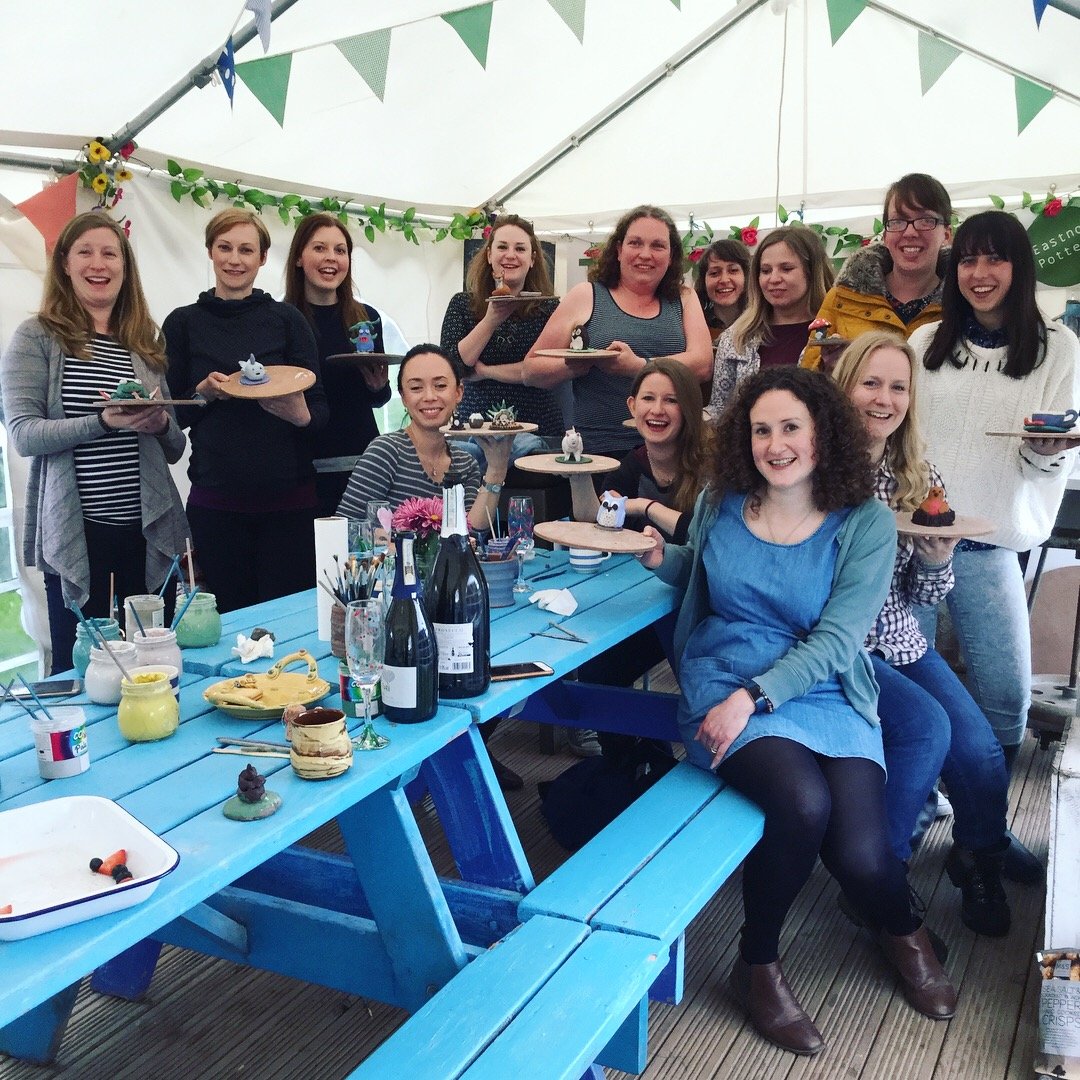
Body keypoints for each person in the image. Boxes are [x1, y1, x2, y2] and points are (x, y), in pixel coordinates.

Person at [641, 366, 956, 1054]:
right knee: (803, 805)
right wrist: (663, 558)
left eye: (791, 428)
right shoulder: (723, 499)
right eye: (761, 430)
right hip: (723, 676)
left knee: (862, 854)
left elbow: (841, 639)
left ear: (823, 434)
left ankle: (903, 931)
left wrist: (756, 696)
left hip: (821, 686)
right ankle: (756, 961)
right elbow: (699, 572)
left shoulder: (866, 521)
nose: (774, 445)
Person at [911, 209, 1080, 884]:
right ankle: (913, 810)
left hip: (990, 546)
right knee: (910, 691)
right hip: (913, 542)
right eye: (968, 260)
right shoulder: (926, 342)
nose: (980, 274)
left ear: (1020, 267)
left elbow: (1051, 455)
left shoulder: (1058, 349)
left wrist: (1045, 450)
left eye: (995, 258)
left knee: (1006, 695)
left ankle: (984, 833)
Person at [833, 331, 1012, 936]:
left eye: (898, 387)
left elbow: (920, 595)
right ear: (844, 387)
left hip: (901, 638)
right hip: (839, 645)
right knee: (925, 731)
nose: (884, 399)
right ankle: (879, 883)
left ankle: (978, 857)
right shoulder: (812, 467)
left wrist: (937, 561)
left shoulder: (916, 475)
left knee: (981, 750)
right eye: (870, 383)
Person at [0, 212, 188, 673]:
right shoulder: (36, 337)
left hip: (146, 531)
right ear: (65, 264)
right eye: (85, 252)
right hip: (77, 532)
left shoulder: (142, 343)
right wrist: (102, 421)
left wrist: (158, 423)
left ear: (125, 267)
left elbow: (174, 447)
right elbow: (24, 434)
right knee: (88, 670)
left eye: (110, 253)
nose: (98, 264)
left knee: (155, 663)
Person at [164, 208, 328, 613]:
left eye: (246, 250)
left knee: (288, 621)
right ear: (210, 251)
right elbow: (171, 418)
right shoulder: (183, 323)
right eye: (225, 248)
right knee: (228, 623)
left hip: (290, 505)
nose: (234, 259)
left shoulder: (287, 320)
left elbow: (320, 412)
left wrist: (299, 414)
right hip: (216, 506)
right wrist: (204, 394)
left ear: (263, 257)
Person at [523, 205, 712, 457]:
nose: (645, 254)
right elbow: (531, 370)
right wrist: (575, 365)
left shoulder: (683, 298)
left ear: (671, 256)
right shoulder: (586, 295)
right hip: (601, 450)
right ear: (619, 250)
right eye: (635, 243)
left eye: (657, 246)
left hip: (673, 452)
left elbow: (703, 364)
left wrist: (639, 366)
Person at [283, 212, 405, 518]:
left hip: (361, 461)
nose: (331, 258)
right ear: (298, 257)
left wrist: (378, 388)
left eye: (340, 250)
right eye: (319, 248)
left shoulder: (366, 318)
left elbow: (376, 398)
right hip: (302, 465)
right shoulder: (281, 320)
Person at [337, 344, 511, 533]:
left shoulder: (465, 464)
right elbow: (345, 528)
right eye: (416, 388)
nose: (429, 396)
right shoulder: (386, 451)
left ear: (458, 392)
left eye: (440, 386)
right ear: (404, 397)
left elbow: (471, 534)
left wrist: (496, 470)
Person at [441, 214, 561, 465]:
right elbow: (454, 368)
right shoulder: (462, 305)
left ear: (532, 259)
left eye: (520, 249)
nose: (510, 255)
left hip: (539, 429)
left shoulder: (549, 308)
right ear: (489, 255)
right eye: (502, 247)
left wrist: (485, 372)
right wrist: (491, 320)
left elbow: (545, 370)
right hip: (474, 430)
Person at [802, 173, 952, 371]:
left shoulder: (961, 305)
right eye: (898, 221)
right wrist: (829, 368)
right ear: (885, 235)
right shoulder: (842, 298)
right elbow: (807, 377)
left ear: (946, 234)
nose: (910, 232)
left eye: (925, 220)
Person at [709, 227, 834, 414]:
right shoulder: (736, 338)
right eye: (766, 271)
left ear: (812, 272)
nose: (774, 279)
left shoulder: (835, 335)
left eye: (786, 269)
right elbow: (719, 410)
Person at [693, 238, 751, 342]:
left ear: (747, 276)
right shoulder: (692, 325)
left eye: (733, 270)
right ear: (703, 281)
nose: (724, 280)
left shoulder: (762, 324)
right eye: (714, 273)